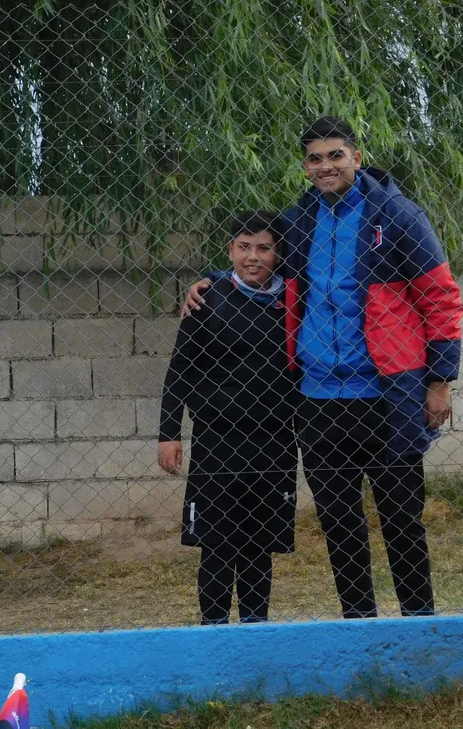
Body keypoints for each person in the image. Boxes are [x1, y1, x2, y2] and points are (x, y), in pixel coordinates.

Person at [183, 116, 463, 618]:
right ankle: (358, 626)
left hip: (387, 397)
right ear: (306, 166)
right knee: (339, 522)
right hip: (317, 404)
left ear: (356, 157)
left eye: (336, 155)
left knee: (401, 517)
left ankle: (419, 626)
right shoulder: (299, 221)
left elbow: (441, 299)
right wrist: (210, 280)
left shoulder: (399, 216)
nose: (325, 166)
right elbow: (257, 260)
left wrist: (439, 381)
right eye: (315, 158)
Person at [158, 210, 298, 626]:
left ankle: (255, 630)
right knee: (217, 545)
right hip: (217, 442)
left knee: (258, 546)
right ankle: (213, 631)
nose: (253, 257)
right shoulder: (207, 298)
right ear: (230, 250)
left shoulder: (294, 300)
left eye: (264, 248)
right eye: (243, 247)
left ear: (279, 254)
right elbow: (179, 370)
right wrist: (169, 433)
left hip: (274, 441)